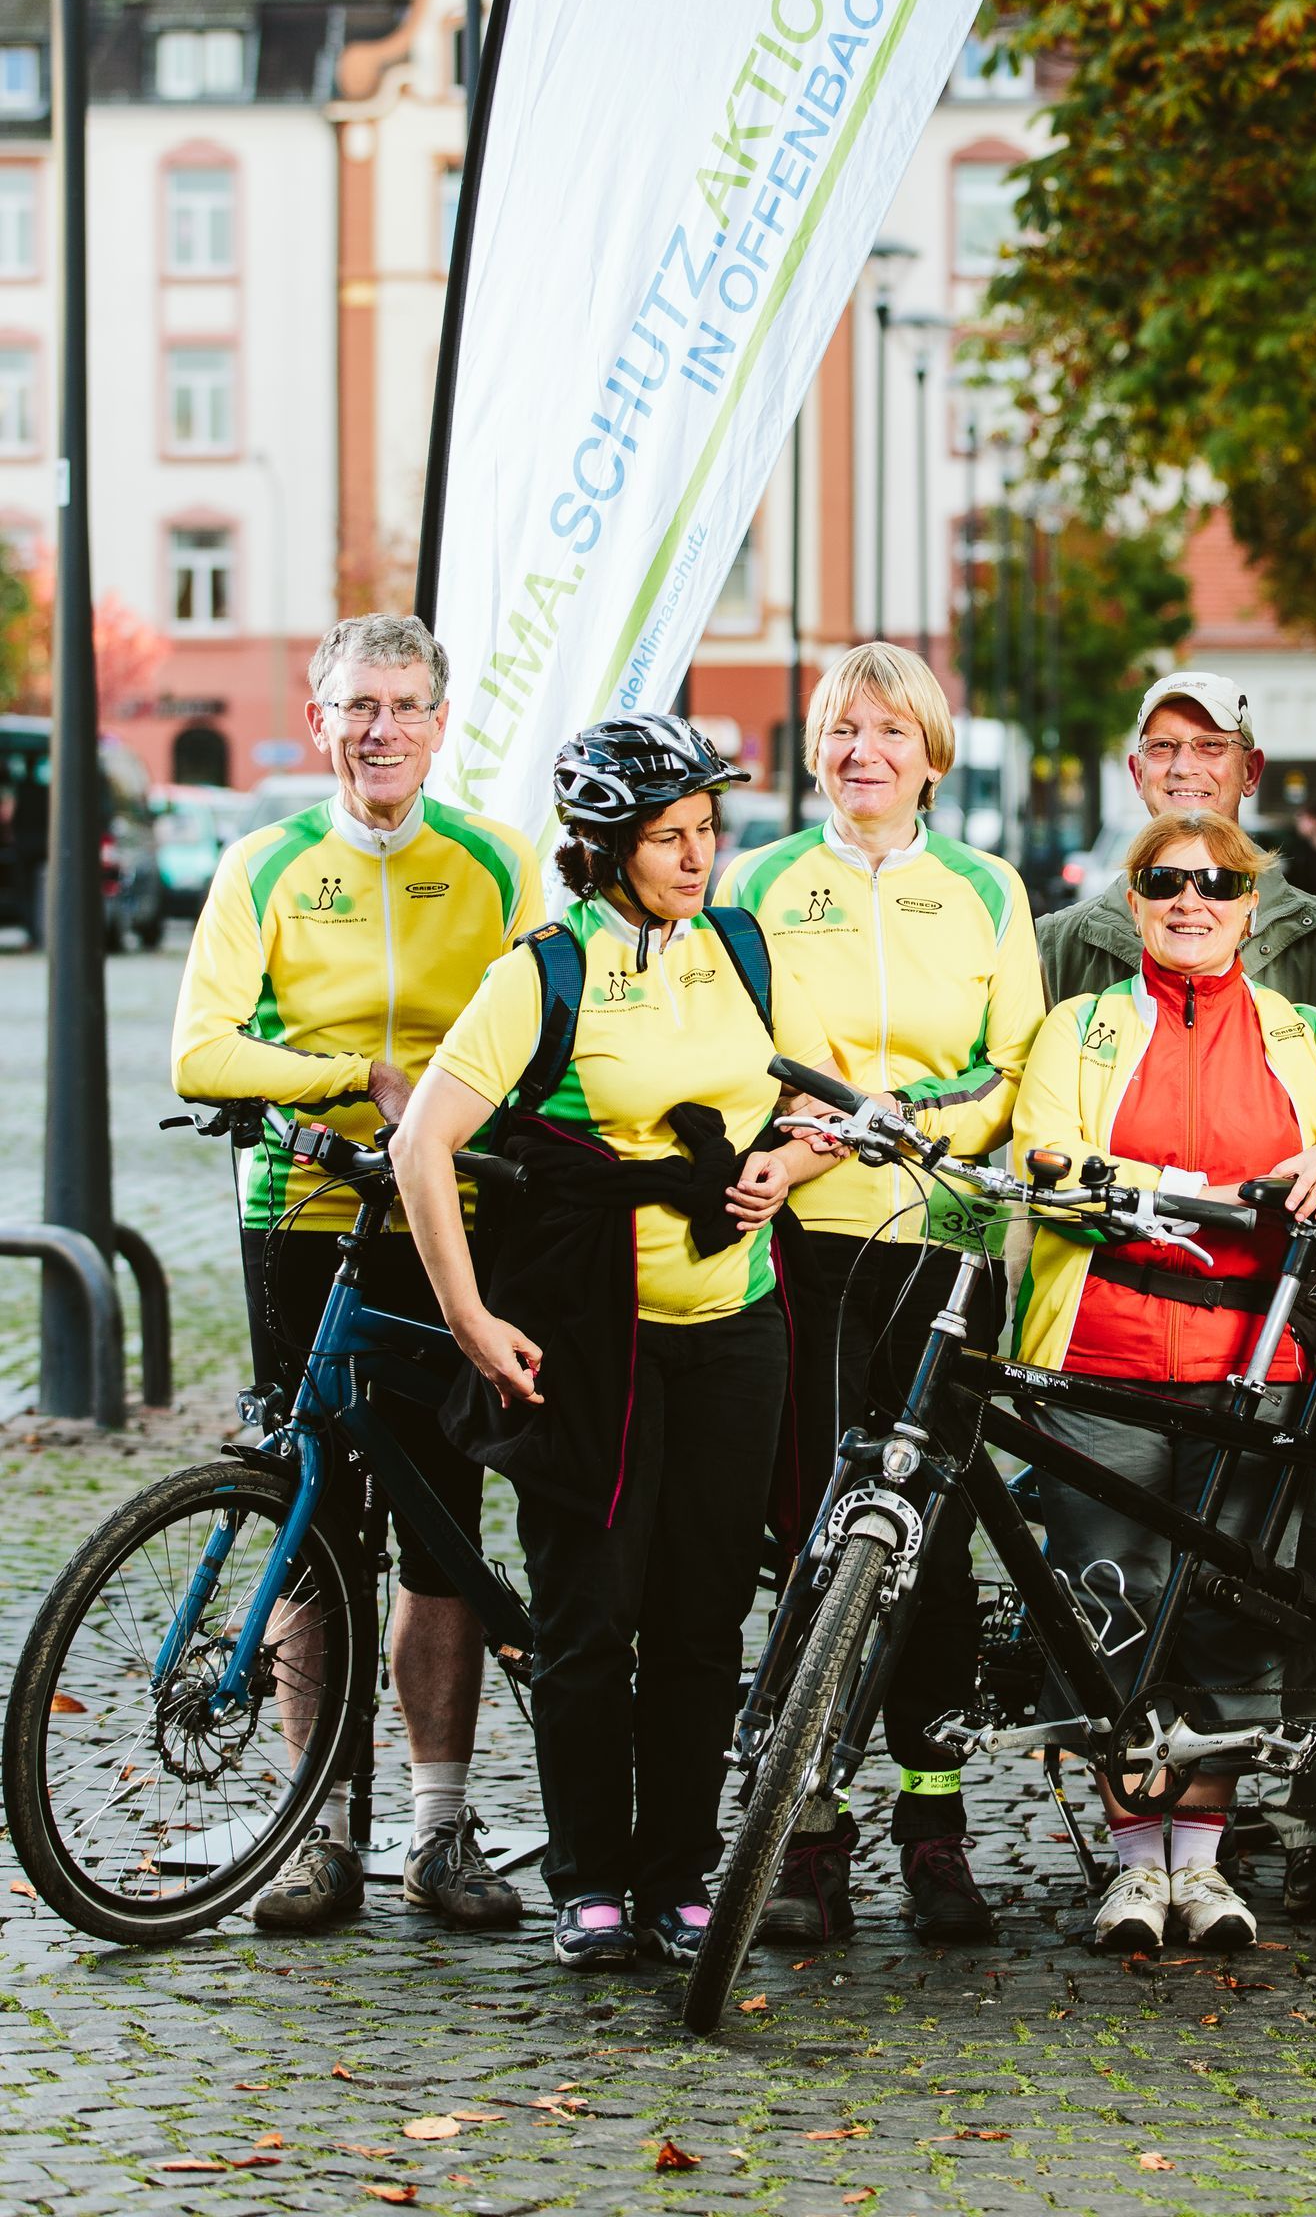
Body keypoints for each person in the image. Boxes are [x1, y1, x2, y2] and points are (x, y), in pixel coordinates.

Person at [388, 717, 842, 1971]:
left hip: (738, 1328)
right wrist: (471, 1320)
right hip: (595, 1338)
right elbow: (422, 1144)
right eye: (667, 838)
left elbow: (824, 1106)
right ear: (602, 848)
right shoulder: (545, 971)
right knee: (590, 1619)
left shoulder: (741, 947)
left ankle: (678, 1875)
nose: (698, 858)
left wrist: (785, 1166)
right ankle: (588, 1879)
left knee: (703, 1619)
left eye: (707, 831)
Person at [172, 613, 543, 1935]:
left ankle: (440, 1831)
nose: (380, 729)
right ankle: (314, 1832)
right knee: (312, 1525)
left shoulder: (496, 864)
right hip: (302, 1213)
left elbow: (550, 1034)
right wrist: (354, 1081)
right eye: (357, 706)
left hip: (452, 1219)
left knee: (442, 1524)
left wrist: (446, 1116)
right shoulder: (264, 864)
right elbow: (202, 1049)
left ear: (441, 725)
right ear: (317, 720)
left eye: (403, 706)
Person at [1013, 809, 1316, 1954]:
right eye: (1168, 882)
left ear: (1250, 906)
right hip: (1103, 1360)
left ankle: (1205, 1863)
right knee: (1110, 1610)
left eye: (1219, 885)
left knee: (1232, 1621)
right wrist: (1222, 1197)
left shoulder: (1303, 1035)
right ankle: (1138, 1869)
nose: (1193, 901)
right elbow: (1048, 1158)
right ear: (1133, 901)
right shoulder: (1081, 1028)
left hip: (1258, 1363)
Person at [716, 642, 1045, 1944]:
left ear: (931, 754)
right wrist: (808, 1142)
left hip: (944, 1236)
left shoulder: (986, 888)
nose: (866, 753)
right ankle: (806, 1826)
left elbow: (1011, 1070)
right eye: (844, 731)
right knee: (814, 1524)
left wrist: (897, 1117)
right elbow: (733, 1051)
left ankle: (934, 1818)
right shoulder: (757, 882)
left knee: (937, 1540)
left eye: (891, 732)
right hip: (806, 1242)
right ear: (816, 752)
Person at [1038, 674, 1316, 1010]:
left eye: (1211, 745)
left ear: (1250, 772)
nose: (1184, 767)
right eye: (1163, 746)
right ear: (1138, 774)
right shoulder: (1055, 947)